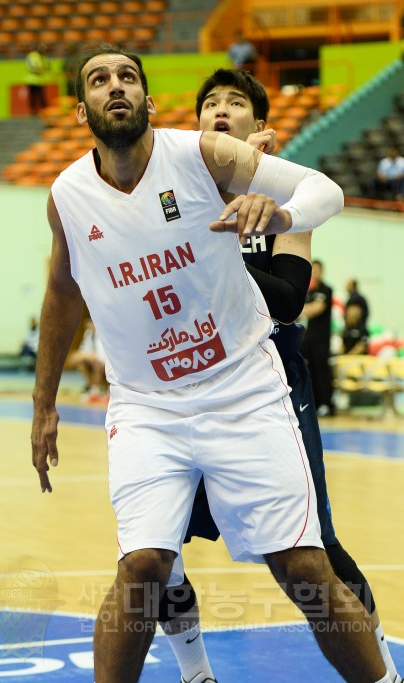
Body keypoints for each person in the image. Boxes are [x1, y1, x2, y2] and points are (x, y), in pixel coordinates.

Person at [30, 41, 390, 683]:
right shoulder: (66, 197)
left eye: (128, 76)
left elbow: (323, 190)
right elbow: (62, 292)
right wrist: (43, 403)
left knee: (304, 564)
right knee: (144, 565)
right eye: (99, 79)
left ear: (147, 98)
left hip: (246, 386)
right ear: (81, 107)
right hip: (148, 405)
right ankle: (195, 672)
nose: (115, 86)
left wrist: (281, 212)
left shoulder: (202, 156)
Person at [157, 68, 401, 683]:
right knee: (155, 552)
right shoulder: (174, 194)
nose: (219, 110)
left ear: (258, 128)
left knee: (314, 546)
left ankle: (382, 668)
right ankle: (196, 674)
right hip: (186, 381)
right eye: (208, 102)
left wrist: (202, 259)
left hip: (275, 377)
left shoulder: (286, 200)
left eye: (234, 103)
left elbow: (289, 297)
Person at [301, 259, 335, 417]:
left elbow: (316, 309)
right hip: (309, 339)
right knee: (311, 371)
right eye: (312, 270)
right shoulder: (310, 292)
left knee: (322, 372)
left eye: (317, 270)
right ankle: (315, 404)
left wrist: (300, 309)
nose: (315, 273)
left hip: (322, 340)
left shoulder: (326, 290)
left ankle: (327, 404)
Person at [66, 317, 108, 402]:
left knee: (97, 365)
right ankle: (93, 390)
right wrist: (78, 356)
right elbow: (83, 350)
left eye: (89, 324)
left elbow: (102, 355)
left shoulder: (103, 334)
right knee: (81, 364)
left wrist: (85, 356)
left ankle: (101, 391)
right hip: (95, 361)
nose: (88, 327)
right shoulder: (88, 333)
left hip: (106, 363)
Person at [24, 42, 51, 115]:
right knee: (33, 97)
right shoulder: (32, 56)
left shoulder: (43, 57)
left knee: (42, 97)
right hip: (32, 80)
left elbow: (48, 67)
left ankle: (44, 112)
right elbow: (32, 67)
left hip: (41, 80)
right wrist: (41, 69)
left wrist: (42, 69)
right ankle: (33, 112)